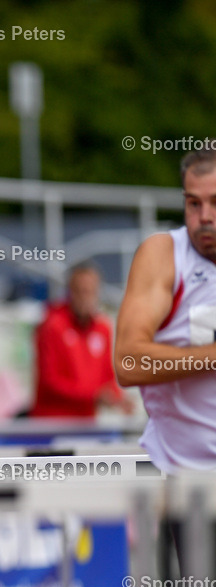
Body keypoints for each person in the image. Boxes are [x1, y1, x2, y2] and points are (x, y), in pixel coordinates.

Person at [115, 149, 216, 471]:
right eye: (193, 203)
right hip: (180, 484)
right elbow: (127, 363)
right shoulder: (165, 255)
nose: (204, 217)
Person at [30, 262, 132, 418]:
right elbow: (50, 381)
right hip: (52, 423)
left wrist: (118, 398)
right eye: (80, 291)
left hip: (86, 423)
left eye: (90, 291)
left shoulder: (103, 328)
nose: (85, 297)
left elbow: (106, 376)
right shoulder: (52, 326)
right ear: (70, 292)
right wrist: (93, 396)